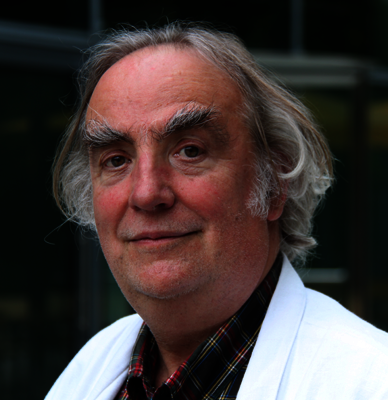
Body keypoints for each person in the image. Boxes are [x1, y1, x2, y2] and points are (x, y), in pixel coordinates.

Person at [46, 23, 388, 400]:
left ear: (275, 184)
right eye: (116, 160)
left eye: (190, 151)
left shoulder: (372, 380)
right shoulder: (86, 371)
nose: (146, 193)